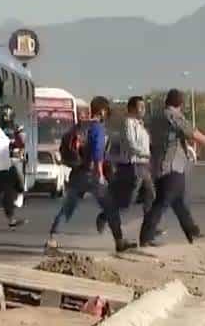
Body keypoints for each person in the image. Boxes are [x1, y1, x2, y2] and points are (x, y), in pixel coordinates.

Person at [139, 88, 205, 247]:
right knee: (162, 202)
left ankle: (192, 231)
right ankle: (146, 237)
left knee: (178, 202)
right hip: (172, 166)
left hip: (159, 165)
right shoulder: (174, 116)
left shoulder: (156, 117)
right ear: (181, 104)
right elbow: (193, 134)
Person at [46, 96, 111, 250]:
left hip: (77, 172)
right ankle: (118, 239)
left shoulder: (79, 126)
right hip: (92, 173)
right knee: (112, 204)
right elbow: (97, 153)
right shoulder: (98, 128)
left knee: (68, 207)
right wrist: (100, 174)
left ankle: (52, 238)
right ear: (102, 111)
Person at [100, 96, 156, 252]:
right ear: (131, 108)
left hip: (143, 166)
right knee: (127, 201)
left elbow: (146, 144)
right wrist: (145, 154)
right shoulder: (128, 124)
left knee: (150, 196)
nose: (143, 110)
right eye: (140, 107)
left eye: (144, 107)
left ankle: (148, 235)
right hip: (132, 166)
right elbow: (131, 144)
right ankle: (106, 215)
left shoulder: (142, 125)